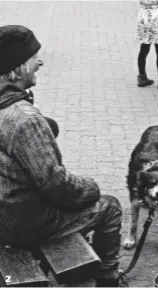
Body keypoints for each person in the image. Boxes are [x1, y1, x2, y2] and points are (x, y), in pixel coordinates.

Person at [0, 25, 126, 287]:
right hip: (23, 224)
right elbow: (57, 185)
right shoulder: (24, 119)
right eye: (35, 57)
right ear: (18, 66)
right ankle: (108, 280)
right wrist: (90, 188)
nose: (41, 62)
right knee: (110, 206)